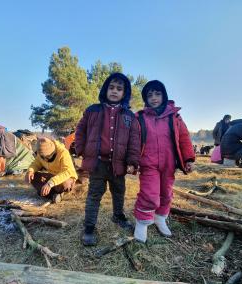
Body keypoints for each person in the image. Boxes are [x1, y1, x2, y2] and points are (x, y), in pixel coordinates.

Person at [75, 73, 140, 246]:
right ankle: (89, 227)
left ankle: (118, 216)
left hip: (118, 165)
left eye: (119, 89)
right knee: (94, 195)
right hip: (97, 164)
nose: (114, 91)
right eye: (111, 87)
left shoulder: (129, 116)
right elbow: (80, 131)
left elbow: (134, 140)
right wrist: (81, 149)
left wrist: (132, 162)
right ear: (105, 89)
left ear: (124, 93)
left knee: (119, 192)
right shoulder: (92, 110)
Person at [133, 80, 195, 242]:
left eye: (157, 94)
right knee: (150, 194)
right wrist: (132, 160)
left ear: (164, 95)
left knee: (166, 194)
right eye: (150, 95)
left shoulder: (175, 117)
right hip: (148, 163)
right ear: (145, 98)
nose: (154, 98)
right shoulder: (140, 118)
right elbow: (132, 140)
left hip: (169, 164)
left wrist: (188, 159)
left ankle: (160, 218)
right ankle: (142, 222)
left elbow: (184, 138)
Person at [25, 137, 78, 203]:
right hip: (52, 176)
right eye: (43, 157)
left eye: (47, 157)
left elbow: (67, 172)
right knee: (33, 177)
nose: (45, 159)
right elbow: (36, 164)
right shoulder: (41, 152)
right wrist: (30, 171)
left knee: (65, 184)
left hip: (66, 177)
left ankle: (54, 193)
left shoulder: (63, 152)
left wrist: (50, 183)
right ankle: (53, 195)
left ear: (53, 152)